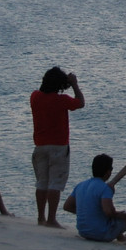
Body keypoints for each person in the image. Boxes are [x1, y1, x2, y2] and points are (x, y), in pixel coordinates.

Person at [62, 154, 126, 247]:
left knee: (107, 216)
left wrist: (88, 212)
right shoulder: (105, 188)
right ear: (108, 172)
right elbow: (109, 212)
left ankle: (121, 237)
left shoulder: (80, 185)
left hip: (83, 232)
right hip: (99, 234)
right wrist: (119, 214)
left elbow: (67, 206)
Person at [30, 67, 85, 228]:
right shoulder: (62, 100)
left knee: (42, 182)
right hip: (59, 146)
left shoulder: (35, 97)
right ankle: (51, 219)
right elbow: (80, 103)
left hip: (40, 145)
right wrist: (74, 84)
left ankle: (41, 217)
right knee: (55, 183)